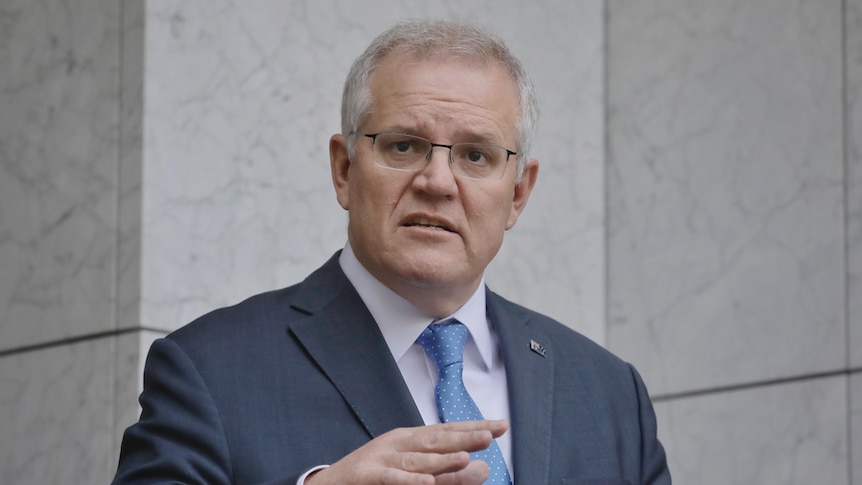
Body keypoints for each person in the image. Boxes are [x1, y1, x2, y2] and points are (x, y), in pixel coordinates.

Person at [112, 19, 671, 485]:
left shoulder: (608, 394)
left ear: (518, 193)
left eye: (475, 156)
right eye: (404, 146)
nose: (437, 181)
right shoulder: (211, 370)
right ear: (344, 169)